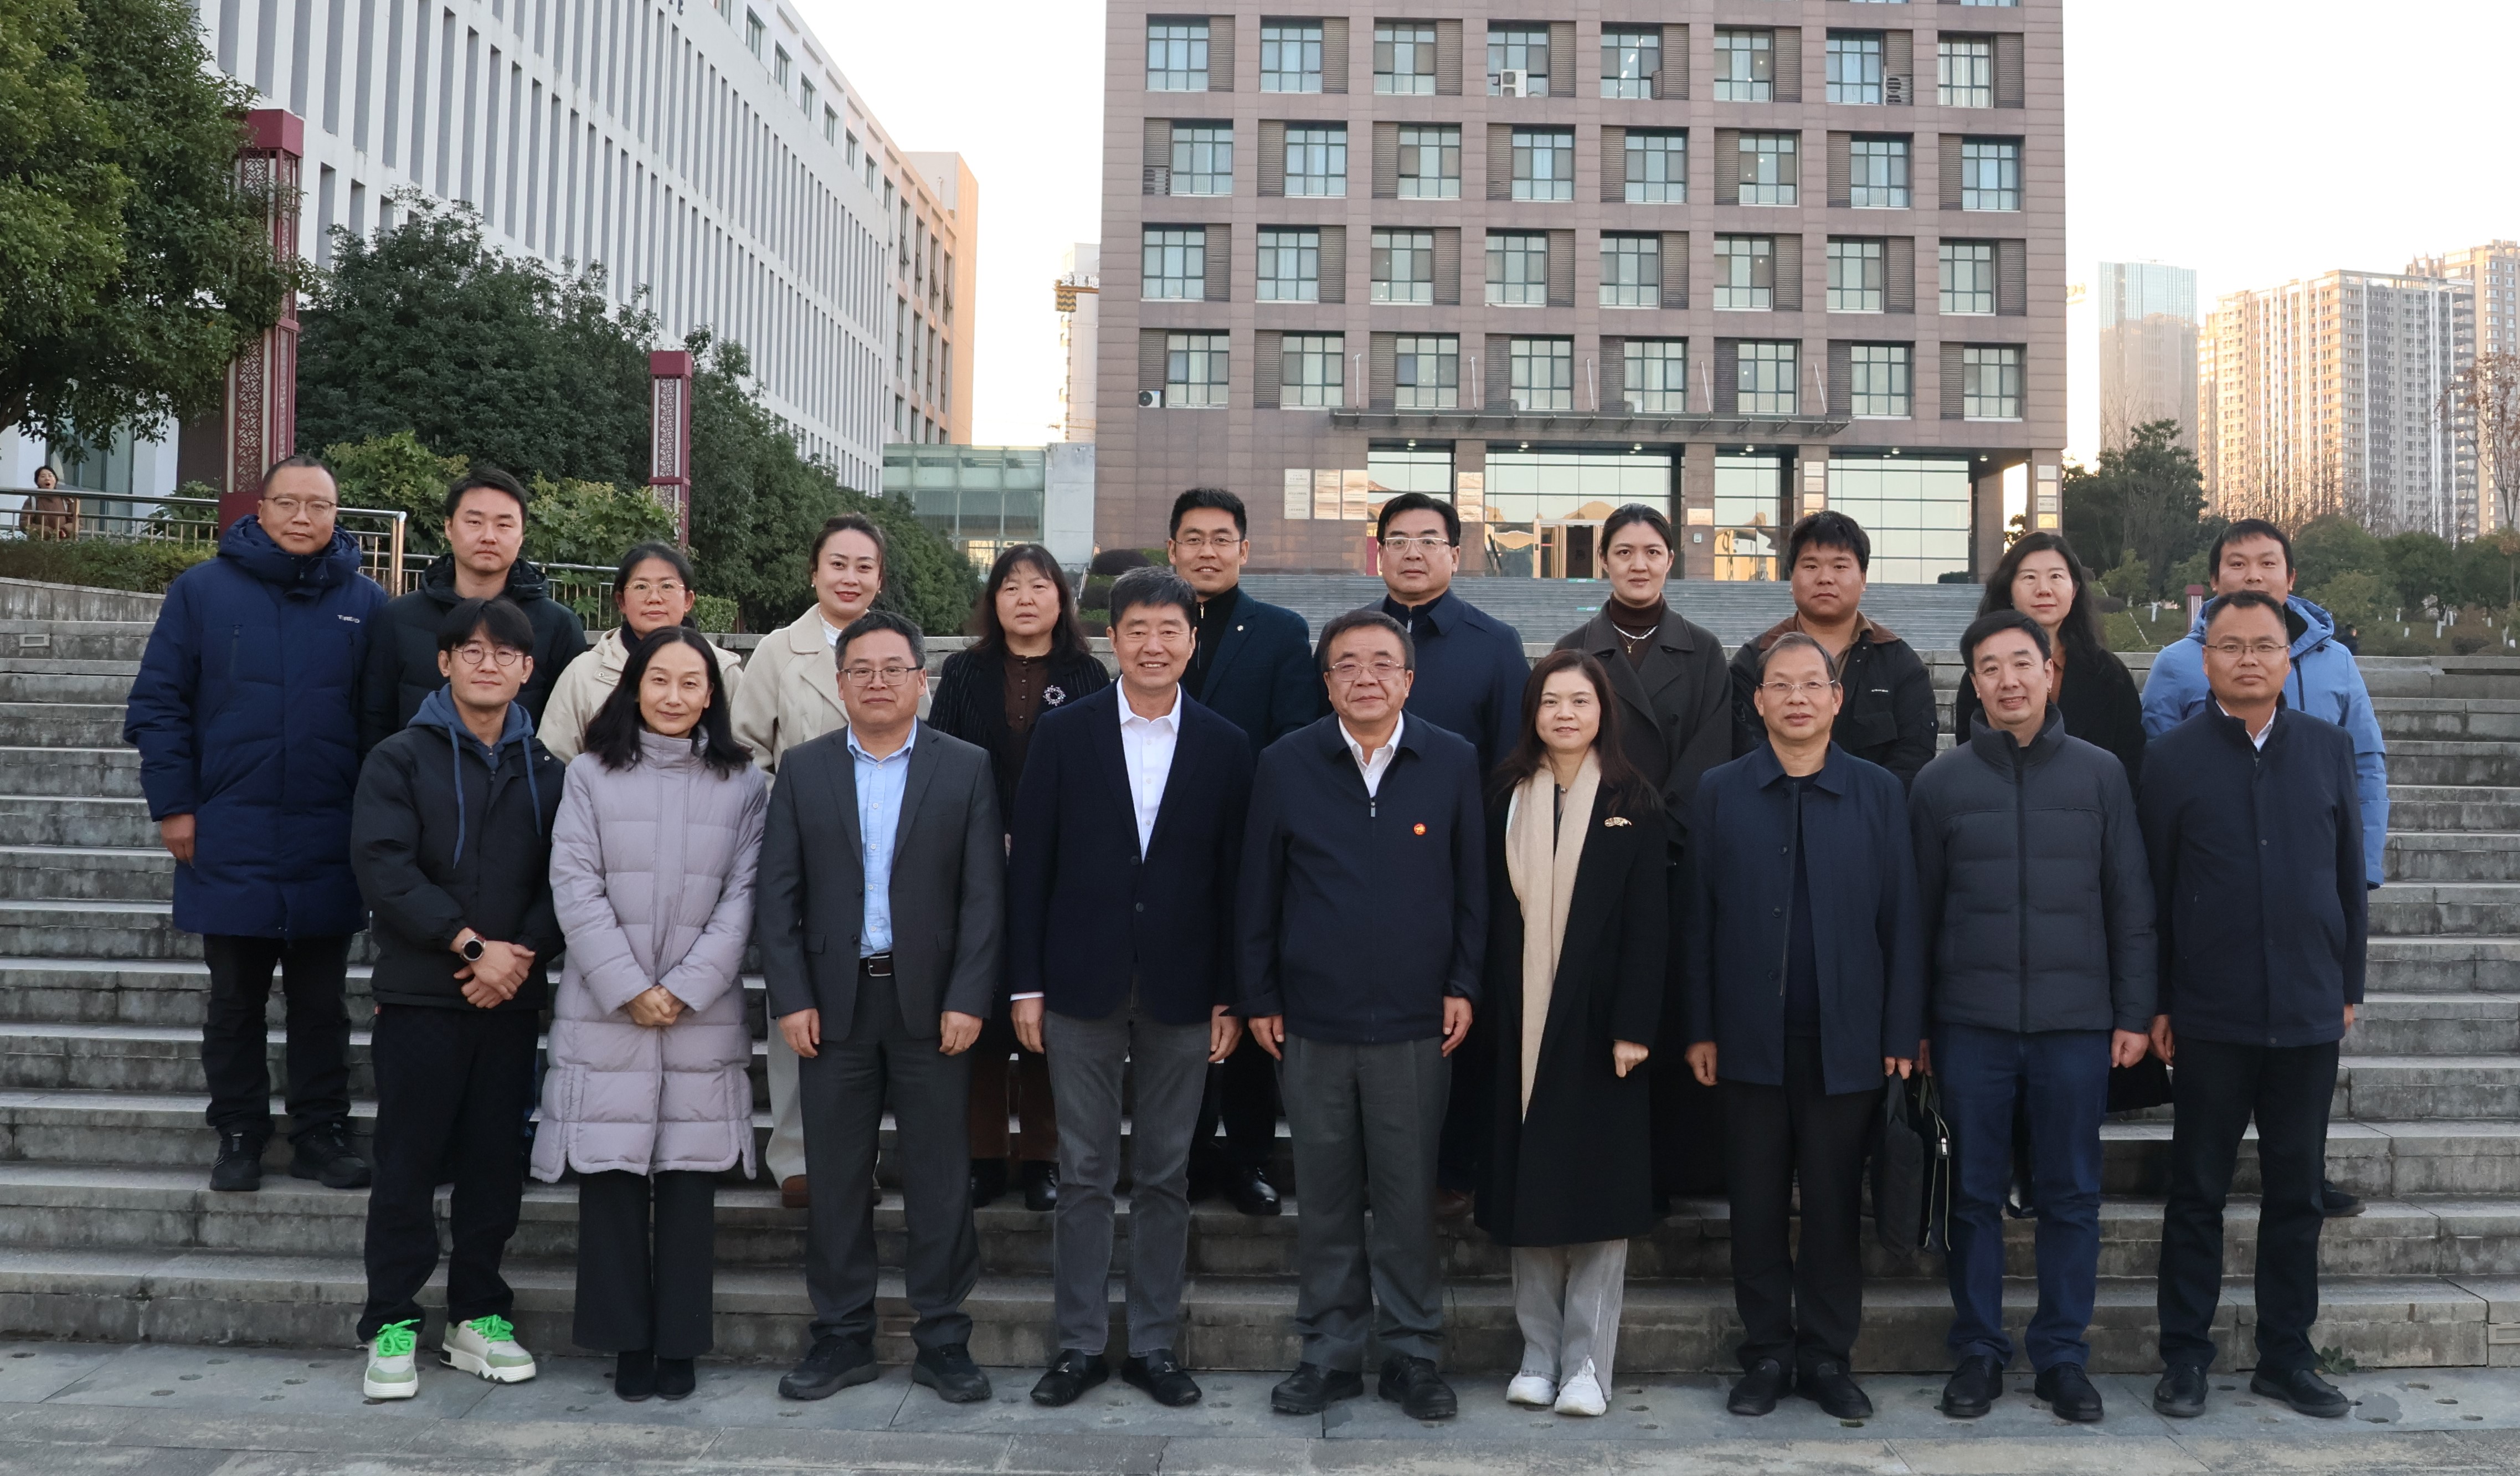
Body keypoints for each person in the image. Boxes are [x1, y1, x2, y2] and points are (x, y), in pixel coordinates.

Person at [1008, 567, 1255, 1410]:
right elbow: (1030, 868)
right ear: (1111, 638)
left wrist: (1230, 993)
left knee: (1163, 1172)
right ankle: (1078, 1344)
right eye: (1137, 630)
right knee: (1082, 1170)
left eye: (1169, 630)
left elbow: (1237, 881)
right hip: (1078, 982)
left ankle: (1153, 1343)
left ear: (1193, 639)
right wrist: (1025, 984)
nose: (1153, 645)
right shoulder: (1065, 734)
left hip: (1185, 989)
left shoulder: (1226, 743)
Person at [1237, 609, 1485, 1423]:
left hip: (1416, 1023)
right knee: (1326, 1196)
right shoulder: (1286, 762)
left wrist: (1464, 980)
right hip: (1311, 1021)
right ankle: (1330, 1351)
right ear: (1326, 682)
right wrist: (1260, 994)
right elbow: (1257, 892)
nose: (1365, 677)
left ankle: (1412, 1353)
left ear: (1408, 680)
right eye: (1347, 664)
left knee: (1408, 1198)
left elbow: (1473, 887)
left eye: (1382, 663)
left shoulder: (1451, 760)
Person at [1910, 610, 2156, 1424]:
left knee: (2071, 1194)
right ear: (1972, 684)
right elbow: (1916, 917)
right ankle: (1978, 1350)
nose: (2007, 680)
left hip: (2073, 1024)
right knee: (1971, 1195)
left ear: (2050, 671)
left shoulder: (2099, 775)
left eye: (2022, 662)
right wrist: (1915, 1025)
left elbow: (2129, 903)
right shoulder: (1939, 784)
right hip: (1969, 1024)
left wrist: (2132, 1011)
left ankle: (2060, 1356)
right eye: (1989, 667)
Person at [754, 610, 1004, 1406]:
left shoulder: (964, 767)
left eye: (893, 668)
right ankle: (841, 1335)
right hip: (833, 1005)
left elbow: (983, 898)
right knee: (834, 1177)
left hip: (932, 1006)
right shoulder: (804, 768)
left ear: (921, 680)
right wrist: (791, 997)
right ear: (839, 684)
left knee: (940, 1176)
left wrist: (968, 996)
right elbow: (776, 895)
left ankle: (943, 1338)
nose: (877, 682)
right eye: (860, 669)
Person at [124, 455, 388, 1194]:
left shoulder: (366, 602)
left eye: (319, 505)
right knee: (234, 999)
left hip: (328, 834)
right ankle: (239, 1131)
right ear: (260, 509)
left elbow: (380, 722)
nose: (303, 517)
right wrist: (174, 805)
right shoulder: (202, 591)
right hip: (227, 828)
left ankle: (319, 1132)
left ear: (337, 515)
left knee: (321, 1003)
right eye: (288, 503)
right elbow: (158, 705)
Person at [1685, 632, 1925, 1421]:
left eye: (1810, 685)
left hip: (1846, 1042)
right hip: (1745, 1040)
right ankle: (1764, 1352)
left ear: (1835, 699)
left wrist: (1899, 1032)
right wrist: (1700, 1027)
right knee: (1754, 1206)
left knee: (1831, 1207)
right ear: (1756, 702)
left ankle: (1824, 1355)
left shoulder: (1877, 793)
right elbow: (1697, 922)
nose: (1795, 698)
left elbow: (1901, 922)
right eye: (1779, 686)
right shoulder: (1719, 791)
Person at [2142, 590, 2368, 1422]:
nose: (2247, 659)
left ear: (2286, 657)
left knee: (2296, 1193)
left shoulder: (2326, 747)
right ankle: (2184, 1357)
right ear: (2204, 660)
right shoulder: (2170, 759)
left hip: (2307, 1007)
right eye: (2229, 645)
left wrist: (2347, 985)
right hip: (2209, 1011)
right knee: (2196, 1190)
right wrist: (2157, 1000)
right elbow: (2153, 893)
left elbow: (2347, 877)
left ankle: (2286, 1356)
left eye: (2263, 645)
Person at [534, 628, 768, 1403]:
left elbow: (745, 896)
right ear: (632, 687)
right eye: (658, 680)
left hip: (701, 1011)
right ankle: (624, 1339)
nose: (673, 695)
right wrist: (628, 984)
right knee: (611, 1177)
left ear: (712, 695)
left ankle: (679, 1341)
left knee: (688, 1182)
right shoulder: (590, 774)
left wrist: (689, 985)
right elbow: (573, 883)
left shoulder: (743, 782)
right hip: (608, 1008)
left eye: (690, 683)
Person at [349, 598, 567, 1401]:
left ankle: (478, 1313)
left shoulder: (549, 771)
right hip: (421, 996)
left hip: (509, 999)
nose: (487, 664)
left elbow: (568, 876)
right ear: (444, 663)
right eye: (470, 650)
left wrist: (522, 954)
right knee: (406, 1162)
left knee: (493, 1164)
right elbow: (384, 866)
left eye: (503, 653)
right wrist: (471, 947)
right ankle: (392, 1319)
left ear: (526, 669)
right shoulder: (399, 758)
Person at [2139, 517, 2386, 1219]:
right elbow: (2159, 794)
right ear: (2213, 580)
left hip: (2306, 904)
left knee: (2295, 1165)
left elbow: (2365, 763)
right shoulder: (2177, 666)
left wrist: (2360, 869)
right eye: (2237, 563)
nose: (2252, 574)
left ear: (2290, 577)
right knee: (2200, 1177)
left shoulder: (2333, 665)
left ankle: (2306, 1184)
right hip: (2215, 918)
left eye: (2266, 562)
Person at [1477, 651, 1665, 1418]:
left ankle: (1587, 1363)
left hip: (1599, 1026)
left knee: (1597, 1192)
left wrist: (1633, 1026)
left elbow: (1650, 922)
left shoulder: (1633, 799)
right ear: (1531, 712)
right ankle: (1536, 1353)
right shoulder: (1503, 796)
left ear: (1602, 712)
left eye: (1579, 701)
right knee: (1529, 1188)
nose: (1563, 714)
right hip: (1518, 1020)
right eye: (1550, 700)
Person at [1552, 502, 1730, 1205]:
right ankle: (1607, 1168)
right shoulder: (1574, 648)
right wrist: (1615, 835)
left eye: (1651, 551)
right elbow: (1562, 748)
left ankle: (1679, 1171)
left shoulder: (1703, 650)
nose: (1637, 564)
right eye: (1623, 551)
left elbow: (1710, 754)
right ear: (1603, 561)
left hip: (1677, 859)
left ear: (1669, 560)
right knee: (1607, 1012)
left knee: (1672, 1008)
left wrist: (1657, 831)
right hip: (1594, 858)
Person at [929, 544, 1110, 1214]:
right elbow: (940, 762)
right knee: (978, 1007)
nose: (1025, 598)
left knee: (1046, 1017)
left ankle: (1042, 1156)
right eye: (1010, 586)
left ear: (1062, 599)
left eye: (1039, 586)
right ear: (993, 600)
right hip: (973, 864)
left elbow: (1096, 774)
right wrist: (986, 834)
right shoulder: (963, 671)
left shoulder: (1088, 674)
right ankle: (983, 1154)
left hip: (1061, 870)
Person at [729, 514, 889, 1211]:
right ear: (814, 572)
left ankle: (859, 1160)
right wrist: (798, 811)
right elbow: (745, 754)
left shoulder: (894, 645)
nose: (850, 577)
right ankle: (795, 1155)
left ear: (879, 579)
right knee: (799, 1008)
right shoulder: (777, 651)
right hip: (803, 854)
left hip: (884, 857)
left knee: (872, 1015)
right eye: (838, 564)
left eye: (864, 566)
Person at [1373, 491, 1527, 1216]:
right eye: (1397, 539)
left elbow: (1512, 762)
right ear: (1378, 553)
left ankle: (1454, 1168)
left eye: (1428, 539)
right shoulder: (1353, 640)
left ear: (1455, 554)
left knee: (1460, 1021)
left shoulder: (1492, 643)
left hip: (1462, 868)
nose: (1412, 552)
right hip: (1365, 869)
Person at [1168, 487, 1318, 1218]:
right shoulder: (1151, 627)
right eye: (1193, 538)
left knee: (1252, 1000)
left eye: (1220, 538)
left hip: (1253, 847)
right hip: (1166, 858)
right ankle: (1188, 1154)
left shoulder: (1280, 632)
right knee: (1180, 1008)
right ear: (1172, 550)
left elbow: (1292, 739)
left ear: (1243, 550)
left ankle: (1251, 1157)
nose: (1207, 551)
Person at [359, 466, 589, 750]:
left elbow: (569, 733)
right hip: (414, 777)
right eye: (474, 522)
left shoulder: (558, 626)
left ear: (522, 535)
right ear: (449, 527)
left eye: (504, 525)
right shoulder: (398, 618)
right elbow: (374, 723)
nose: (489, 536)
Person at [1727, 511, 1937, 788]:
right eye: (1811, 566)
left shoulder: (1899, 663)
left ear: (1863, 579)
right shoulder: (1754, 661)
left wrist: (1860, 804)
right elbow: (1746, 751)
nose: (1825, 578)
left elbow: (1913, 758)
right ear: (1792, 579)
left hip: (1871, 810)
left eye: (1840, 566)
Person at [1951, 532, 2146, 784]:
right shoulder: (1985, 677)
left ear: (2074, 590)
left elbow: (2130, 766)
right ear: (2009, 590)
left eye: (2056, 577)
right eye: (2029, 578)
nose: (2043, 590)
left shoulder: (2110, 674)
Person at [537, 542, 745, 763]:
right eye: (641, 587)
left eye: (667, 586)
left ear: (688, 600)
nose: (654, 598)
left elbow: (745, 754)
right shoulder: (584, 673)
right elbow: (555, 758)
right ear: (621, 601)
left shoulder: (722, 670)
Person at [25, 464, 74, 539]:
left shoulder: (66, 499)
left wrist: (64, 530)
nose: (47, 479)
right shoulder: (32, 500)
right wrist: (47, 532)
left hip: (62, 542)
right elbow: (25, 523)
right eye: (43, 476)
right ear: (37, 482)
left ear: (55, 480)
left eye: (50, 476)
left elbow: (76, 522)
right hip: (39, 542)